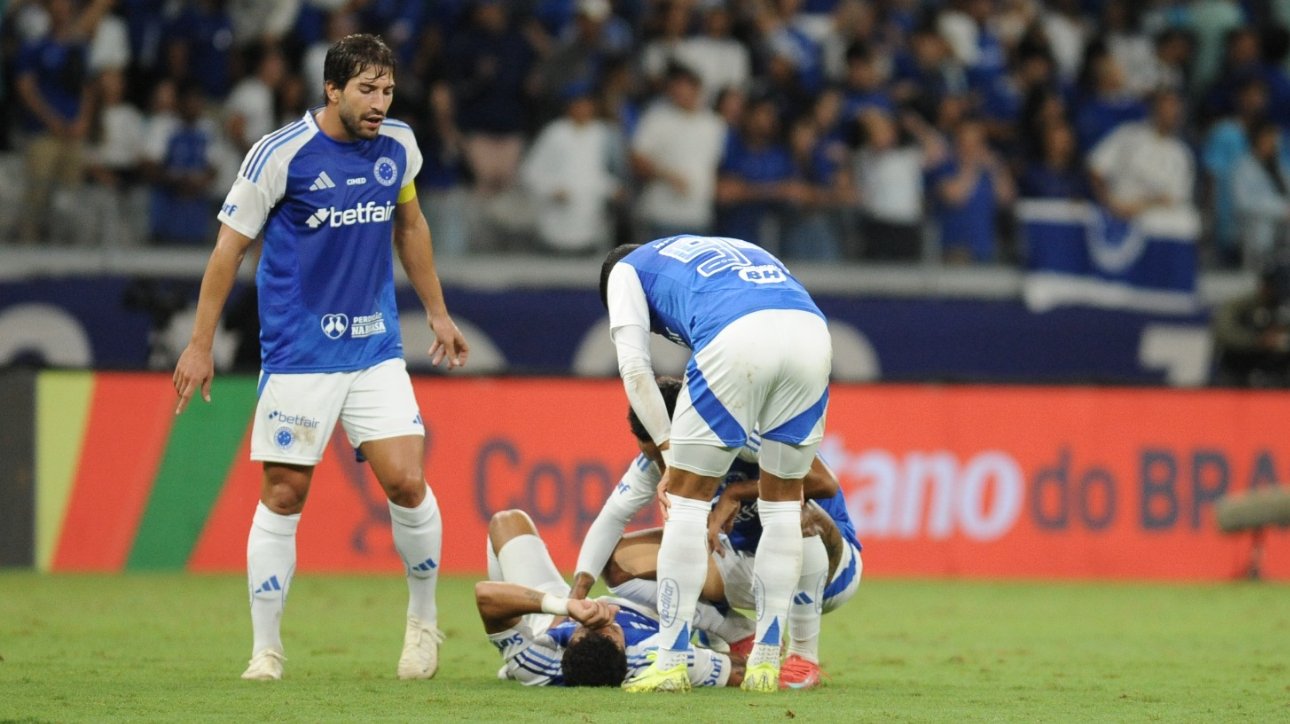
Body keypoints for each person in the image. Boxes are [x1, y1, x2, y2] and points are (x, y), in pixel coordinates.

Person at [171, 33, 470, 682]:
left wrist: (438, 312)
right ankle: (266, 650)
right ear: (332, 89)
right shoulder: (279, 156)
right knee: (284, 492)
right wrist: (200, 345)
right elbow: (228, 251)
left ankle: (423, 622)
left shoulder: (400, 147)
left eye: (388, 90)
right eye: (367, 89)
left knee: (407, 482)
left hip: (374, 348)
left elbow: (410, 224)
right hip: (300, 353)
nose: (380, 104)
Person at [599, 235, 832, 692]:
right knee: (783, 503)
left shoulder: (624, 272)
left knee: (686, 503)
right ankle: (767, 662)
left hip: (737, 335)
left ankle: (670, 663)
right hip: (810, 329)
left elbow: (634, 370)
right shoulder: (718, 248)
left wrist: (668, 453)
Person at [572, 377, 863, 690]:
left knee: (796, 511)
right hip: (749, 568)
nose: (661, 463)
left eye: (665, 451)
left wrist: (737, 492)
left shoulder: (744, 435)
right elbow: (611, 518)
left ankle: (803, 658)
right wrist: (572, 601)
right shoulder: (654, 461)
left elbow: (824, 482)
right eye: (653, 453)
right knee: (619, 560)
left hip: (827, 568)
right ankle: (737, 633)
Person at [478, 509, 743, 688]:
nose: (601, 612)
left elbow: (486, 595)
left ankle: (514, 644)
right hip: (656, 609)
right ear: (625, 649)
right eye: (610, 627)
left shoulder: (540, 663)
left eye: (587, 627)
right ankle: (717, 627)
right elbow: (737, 670)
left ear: (568, 645)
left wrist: (565, 606)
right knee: (685, 569)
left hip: (545, 623)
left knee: (507, 521)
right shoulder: (654, 654)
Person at [1212, 252, 1290, 387]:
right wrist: (1258, 340)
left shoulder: (1283, 306)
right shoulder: (1239, 306)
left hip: (1276, 374)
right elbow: (1224, 333)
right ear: (1265, 285)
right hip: (1237, 371)